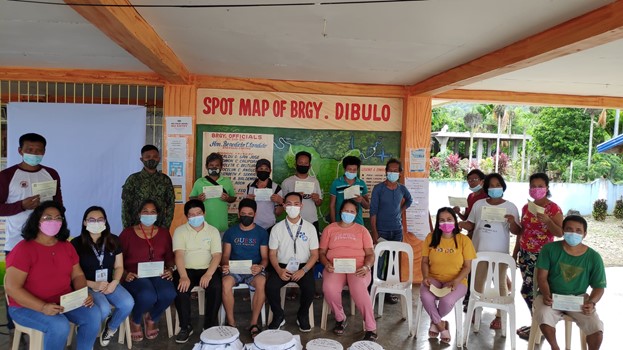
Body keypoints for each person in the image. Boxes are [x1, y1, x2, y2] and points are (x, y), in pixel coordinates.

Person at [5, 201, 100, 349]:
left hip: (64, 301)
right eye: (48, 218)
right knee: (59, 325)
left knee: (93, 314)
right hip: (26, 307)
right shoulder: (23, 249)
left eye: (58, 218)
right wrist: (42, 307)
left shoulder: (66, 246)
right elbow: (12, 288)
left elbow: (78, 275)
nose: (53, 221)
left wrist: (82, 294)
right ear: (37, 221)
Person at [534, 215, 606, 350]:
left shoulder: (594, 257)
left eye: (578, 230)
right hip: (551, 297)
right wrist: (546, 294)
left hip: (579, 300)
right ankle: (555, 347)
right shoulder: (549, 249)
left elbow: (599, 287)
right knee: (544, 314)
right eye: (569, 229)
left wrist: (591, 302)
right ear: (562, 230)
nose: (573, 233)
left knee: (596, 328)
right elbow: (542, 278)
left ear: (585, 234)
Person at [459, 172, 520, 330]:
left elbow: (517, 231)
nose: (494, 188)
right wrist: (460, 224)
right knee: (477, 283)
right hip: (479, 252)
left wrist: (512, 222)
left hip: (500, 253)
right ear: (486, 188)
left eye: (497, 185)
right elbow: (471, 224)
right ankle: (475, 309)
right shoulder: (479, 205)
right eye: (491, 186)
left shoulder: (510, 206)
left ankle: (500, 315)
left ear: (503, 187)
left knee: (500, 284)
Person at [71, 206, 135, 346]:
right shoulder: (76, 244)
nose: (96, 222)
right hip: (87, 285)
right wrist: (93, 284)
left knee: (128, 303)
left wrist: (115, 282)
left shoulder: (114, 240)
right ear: (84, 222)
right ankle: (86, 327)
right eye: (91, 220)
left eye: (100, 219)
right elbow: (72, 274)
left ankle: (110, 328)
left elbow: (119, 267)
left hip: (109, 283)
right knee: (104, 309)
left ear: (105, 222)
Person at [514, 173, 563, 340]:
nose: (536, 189)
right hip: (525, 255)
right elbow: (522, 231)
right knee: (530, 292)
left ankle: (541, 327)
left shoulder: (553, 208)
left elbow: (560, 233)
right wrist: (515, 252)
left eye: (540, 186)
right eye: (533, 186)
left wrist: (548, 221)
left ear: (547, 188)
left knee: (533, 291)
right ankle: (536, 324)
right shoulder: (526, 207)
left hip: (543, 257)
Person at [319, 199, 377, 341]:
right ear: (340, 212)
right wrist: (326, 263)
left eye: (352, 211)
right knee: (329, 288)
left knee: (358, 288)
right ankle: (340, 318)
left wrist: (366, 266)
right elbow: (321, 252)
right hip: (334, 267)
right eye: (346, 211)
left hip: (358, 268)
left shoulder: (362, 230)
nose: (348, 214)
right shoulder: (330, 229)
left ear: (356, 214)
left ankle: (371, 328)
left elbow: (370, 254)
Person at [120, 199, 176, 342]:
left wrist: (170, 269)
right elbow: (117, 260)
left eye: (153, 212)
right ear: (139, 214)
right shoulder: (127, 234)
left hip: (158, 273)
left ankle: (152, 318)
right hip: (135, 275)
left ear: (157, 215)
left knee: (169, 293)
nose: (149, 215)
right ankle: (136, 320)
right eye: (145, 211)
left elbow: (170, 257)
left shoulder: (164, 233)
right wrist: (125, 274)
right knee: (148, 295)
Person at [421, 207, 476, 344]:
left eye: (449, 219)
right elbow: (424, 261)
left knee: (446, 301)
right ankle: (441, 325)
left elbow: (467, 266)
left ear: (455, 221)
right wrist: (426, 276)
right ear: (438, 223)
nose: (446, 223)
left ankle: (435, 323)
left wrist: (457, 280)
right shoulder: (431, 237)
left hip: (457, 281)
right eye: (442, 220)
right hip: (433, 278)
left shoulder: (464, 240)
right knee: (426, 297)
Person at [0, 133, 62, 253]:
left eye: (38, 150)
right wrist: (22, 206)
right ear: (20, 151)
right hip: (17, 242)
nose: (34, 154)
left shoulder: (51, 174)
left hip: (47, 241)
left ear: (44, 152)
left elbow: (59, 205)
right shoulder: (6, 175)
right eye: (29, 150)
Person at [266, 192, 319, 332]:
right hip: (282, 266)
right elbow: (272, 253)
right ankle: (278, 315)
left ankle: (302, 315)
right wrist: (278, 270)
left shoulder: (310, 228)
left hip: (304, 266)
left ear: (301, 206)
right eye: (289, 204)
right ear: (283, 206)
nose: (292, 207)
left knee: (310, 288)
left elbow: (315, 254)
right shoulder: (277, 228)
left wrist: (304, 270)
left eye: (296, 204)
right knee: (270, 286)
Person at [172, 199, 223, 343]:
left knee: (216, 287)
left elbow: (217, 255)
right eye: (191, 215)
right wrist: (183, 276)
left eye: (198, 213)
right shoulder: (180, 231)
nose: (195, 217)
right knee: (181, 289)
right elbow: (179, 254)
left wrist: (208, 274)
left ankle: (209, 325)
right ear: (187, 216)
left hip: (207, 269)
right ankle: (185, 326)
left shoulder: (213, 231)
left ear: (204, 213)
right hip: (186, 270)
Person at [221, 198, 268, 338]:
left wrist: (260, 267)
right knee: (225, 283)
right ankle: (231, 322)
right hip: (234, 269)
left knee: (261, 283)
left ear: (255, 214)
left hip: (253, 270)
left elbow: (265, 258)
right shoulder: (230, 232)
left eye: (250, 213)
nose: (246, 216)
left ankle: (253, 323)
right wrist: (225, 265)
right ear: (238, 213)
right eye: (243, 213)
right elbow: (225, 255)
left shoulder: (261, 233)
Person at [369, 158, 412, 304]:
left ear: (400, 173)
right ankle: (374, 290)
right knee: (379, 262)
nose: (392, 173)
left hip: (397, 231)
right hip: (381, 230)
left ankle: (389, 292)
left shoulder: (402, 189)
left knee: (393, 263)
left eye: (395, 171)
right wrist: (374, 232)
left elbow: (409, 200)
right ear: (385, 171)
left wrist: (401, 211)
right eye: (390, 170)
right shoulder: (379, 188)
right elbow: (373, 211)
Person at [121, 145, 175, 228]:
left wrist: (165, 227)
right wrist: (127, 229)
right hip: (136, 228)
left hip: (158, 228)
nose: (151, 159)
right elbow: (126, 206)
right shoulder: (133, 179)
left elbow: (170, 205)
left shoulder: (165, 180)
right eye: (148, 157)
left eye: (155, 157)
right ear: (141, 159)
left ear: (159, 159)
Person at [189, 152, 236, 234]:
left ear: (221, 167)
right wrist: (198, 199)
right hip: (204, 226)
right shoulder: (199, 182)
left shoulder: (227, 181)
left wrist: (228, 198)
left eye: (217, 165)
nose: (214, 167)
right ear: (207, 166)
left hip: (221, 225)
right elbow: (191, 198)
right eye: (211, 165)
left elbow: (233, 198)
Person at [281, 151, 323, 233]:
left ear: (309, 166)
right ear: (295, 164)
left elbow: (319, 203)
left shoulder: (315, 181)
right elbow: (283, 203)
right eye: (300, 162)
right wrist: (294, 197)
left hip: (312, 220)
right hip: (292, 222)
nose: (303, 165)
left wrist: (317, 199)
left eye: (306, 163)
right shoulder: (287, 182)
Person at [246, 158, 284, 232]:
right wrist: (247, 201)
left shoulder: (276, 188)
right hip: (252, 225)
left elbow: (278, 213)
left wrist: (280, 202)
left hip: (270, 227)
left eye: (266, 169)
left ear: (270, 171)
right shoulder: (250, 186)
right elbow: (244, 208)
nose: (263, 171)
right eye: (261, 168)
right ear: (256, 170)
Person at [329, 156, 369, 225]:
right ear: (344, 169)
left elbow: (367, 206)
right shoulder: (336, 183)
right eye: (350, 169)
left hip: (358, 223)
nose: (352, 172)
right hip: (340, 222)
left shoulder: (361, 184)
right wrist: (333, 224)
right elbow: (332, 205)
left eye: (354, 170)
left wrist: (361, 199)